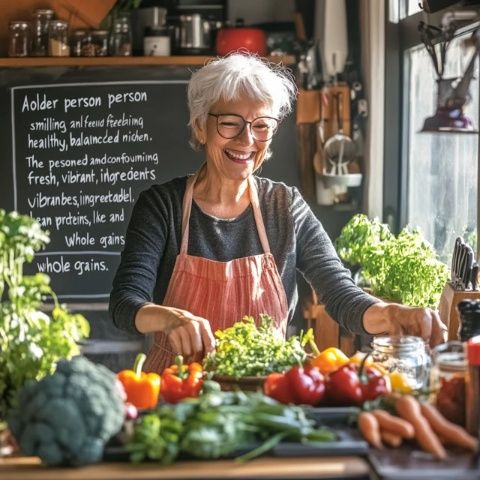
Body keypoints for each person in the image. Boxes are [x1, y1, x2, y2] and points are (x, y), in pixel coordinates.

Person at [109, 53, 447, 373]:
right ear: (200, 127)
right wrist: (170, 319)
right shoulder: (162, 206)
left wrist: (392, 315)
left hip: (267, 393)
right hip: (180, 391)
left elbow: (339, 293)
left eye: (261, 125)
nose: (247, 139)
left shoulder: (286, 206)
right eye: (230, 123)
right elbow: (125, 303)